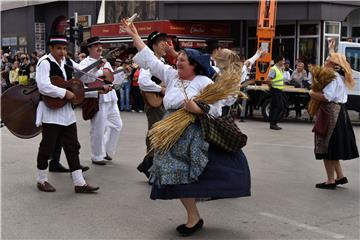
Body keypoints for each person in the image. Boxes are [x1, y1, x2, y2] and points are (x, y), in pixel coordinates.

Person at [121, 19, 250, 237]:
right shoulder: (172, 76)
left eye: (183, 61)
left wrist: (198, 108)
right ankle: (193, 215)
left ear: (194, 65)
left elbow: (217, 110)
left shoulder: (204, 83)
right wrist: (134, 35)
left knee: (191, 174)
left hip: (193, 135)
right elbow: (151, 61)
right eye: (178, 59)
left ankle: (194, 216)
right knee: (174, 173)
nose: (178, 63)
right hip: (170, 133)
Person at [35, 34, 99, 193]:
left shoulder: (68, 62)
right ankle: (41, 180)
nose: (62, 52)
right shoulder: (44, 62)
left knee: (72, 146)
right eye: (58, 49)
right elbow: (43, 86)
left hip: (67, 112)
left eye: (64, 49)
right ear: (51, 48)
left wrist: (99, 72)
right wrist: (64, 93)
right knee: (47, 147)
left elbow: (84, 77)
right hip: (51, 111)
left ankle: (79, 183)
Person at [309, 52, 359, 190]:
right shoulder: (340, 76)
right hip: (339, 112)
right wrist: (331, 47)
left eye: (327, 60)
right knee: (333, 147)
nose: (325, 61)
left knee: (326, 147)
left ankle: (330, 181)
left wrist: (312, 93)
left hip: (330, 113)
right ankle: (340, 176)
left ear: (334, 65)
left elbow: (327, 96)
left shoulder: (332, 77)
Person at [79, 37, 123, 165]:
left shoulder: (106, 62)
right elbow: (84, 79)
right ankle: (97, 155)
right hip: (97, 97)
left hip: (111, 97)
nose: (99, 48)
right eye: (95, 46)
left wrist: (124, 73)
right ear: (89, 49)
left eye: (100, 45)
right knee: (98, 128)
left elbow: (113, 80)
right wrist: (99, 71)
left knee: (117, 125)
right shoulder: (84, 63)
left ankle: (107, 151)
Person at [136, 31, 168, 179]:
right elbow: (142, 82)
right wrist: (160, 89)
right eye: (162, 43)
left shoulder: (162, 63)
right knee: (155, 134)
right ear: (154, 46)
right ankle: (151, 166)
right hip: (155, 103)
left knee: (159, 133)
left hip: (162, 103)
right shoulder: (149, 63)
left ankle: (149, 164)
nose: (165, 45)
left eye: (165, 42)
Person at [266, 56, 285, 130]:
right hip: (275, 90)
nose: (284, 62)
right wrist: (272, 88)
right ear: (279, 61)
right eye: (283, 61)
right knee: (278, 107)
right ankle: (273, 123)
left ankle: (272, 123)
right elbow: (268, 80)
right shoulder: (274, 69)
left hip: (278, 90)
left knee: (275, 106)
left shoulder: (279, 69)